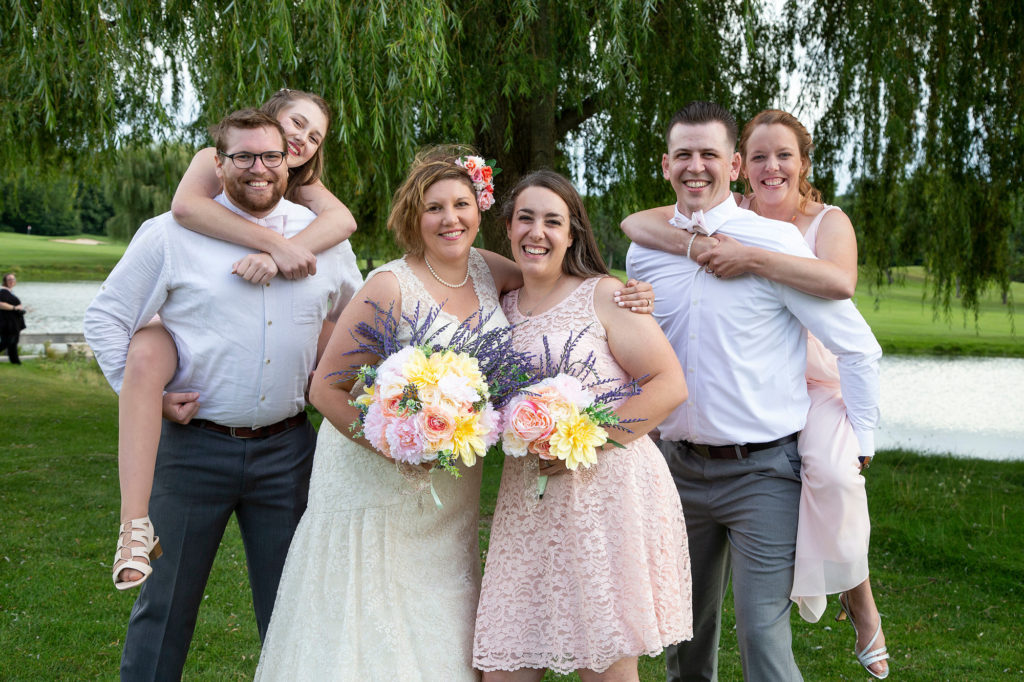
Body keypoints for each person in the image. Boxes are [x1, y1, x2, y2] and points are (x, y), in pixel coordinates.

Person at [254, 148, 658, 680]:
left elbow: (558, 278)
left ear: (480, 209)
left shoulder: (490, 270)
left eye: (461, 205)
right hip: (379, 477)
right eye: (434, 208)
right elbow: (327, 389)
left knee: (440, 619)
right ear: (412, 217)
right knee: (369, 616)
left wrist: (629, 295)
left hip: (453, 489)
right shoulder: (389, 285)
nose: (450, 219)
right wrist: (393, 444)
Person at [84, 108, 357, 680]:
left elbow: (361, 323)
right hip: (192, 453)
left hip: (289, 455)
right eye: (243, 157)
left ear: (292, 160)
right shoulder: (170, 234)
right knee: (163, 609)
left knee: (294, 614)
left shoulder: (324, 243)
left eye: (271, 157)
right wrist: (147, 396)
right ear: (219, 163)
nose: (258, 169)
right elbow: (108, 318)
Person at [621, 108, 889, 678]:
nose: (697, 167)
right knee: (683, 638)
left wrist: (863, 436)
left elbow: (858, 347)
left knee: (762, 639)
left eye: (710, 155)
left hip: (762, 473)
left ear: (733, 165)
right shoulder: (645, 252)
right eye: (684, 156)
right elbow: (638, 354)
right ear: (666, 165)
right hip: (676, 471)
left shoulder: (775, 245)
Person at [473, 170, 693, 681]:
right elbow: (447, 250)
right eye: (525, 218)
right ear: (507, 227)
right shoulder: (499, 305)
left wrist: (584, 437)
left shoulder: (606, 295)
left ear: (573, 234)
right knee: (505, 662)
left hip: (606, 493)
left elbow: (668, 384)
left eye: (554, 221)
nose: (537, 232)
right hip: (528, 498)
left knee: (604, 663)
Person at [0, 273, 26, 364]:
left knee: (13, 342)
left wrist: (19, 308)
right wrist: (15, 308)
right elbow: (1, 305)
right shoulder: (3, 291)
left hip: (13, 322)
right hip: (8, 322)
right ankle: (15, 361)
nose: (11, 281)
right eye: (9, 279)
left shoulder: (10, 292)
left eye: (13, 279)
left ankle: (15, 361)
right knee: (7, 342)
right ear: (5, 281)